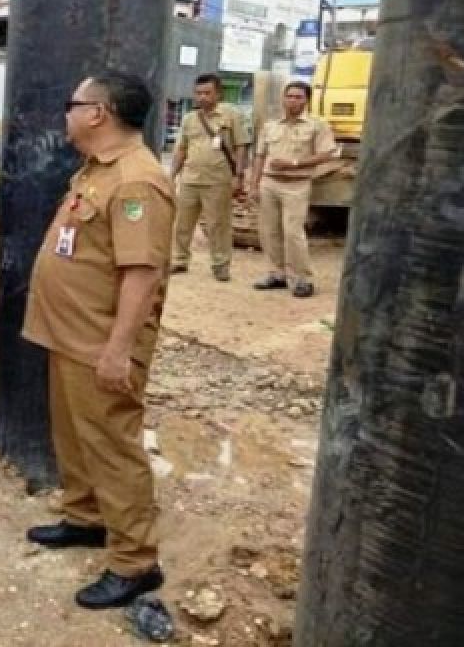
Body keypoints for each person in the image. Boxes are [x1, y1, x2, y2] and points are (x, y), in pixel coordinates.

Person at [23, 73, 174, 610]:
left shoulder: (136, 181)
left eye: (73, 103)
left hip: (101, 342)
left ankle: (136, 562)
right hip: (72, 333)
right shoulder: (97, 170)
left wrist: (118, 350)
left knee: (112, 444)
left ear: (98, 114)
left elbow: (141, 273)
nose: (66, 113)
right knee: (73, 433)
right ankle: (86, 517)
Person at [250, 81, 337, 298]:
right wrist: (253, 184)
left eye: (298, 97)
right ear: (283, 99)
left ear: (307, 100)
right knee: (269, 231)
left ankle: (302, 279)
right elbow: (260, 156)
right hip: (270, 183)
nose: (293, 101)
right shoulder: (271, 126)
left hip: (296, 185)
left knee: (293, 233)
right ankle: (276, 274)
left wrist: (294, 164)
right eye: (289, 96)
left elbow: (326, 154)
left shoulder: (317, 125)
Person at [169, 73, 251, 281]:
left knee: (218, 225)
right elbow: (181, 149)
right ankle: (179, 259)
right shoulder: (189, 118)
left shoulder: (230, 115)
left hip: (218, 180)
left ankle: (220, 265)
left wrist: (238, 176)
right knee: (182, 223)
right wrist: (172, 175)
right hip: (190, 178)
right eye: (198, 93)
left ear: (218, 93)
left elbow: (241, 146)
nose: (202, 97)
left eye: (207, 93)